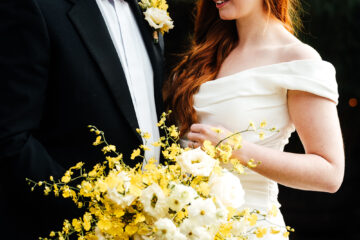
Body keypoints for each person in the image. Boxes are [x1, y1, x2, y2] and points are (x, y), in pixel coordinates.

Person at [166, 0, 345, 238]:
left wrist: (236, 148)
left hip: (250, 229)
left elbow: (330, 173)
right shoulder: (204, 55)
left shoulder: (296, 58)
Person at [0, 0, 164, 238]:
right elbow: (11, 137)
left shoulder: (146, 9)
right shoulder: (35, 6)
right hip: (65, 227)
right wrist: (93, 209)